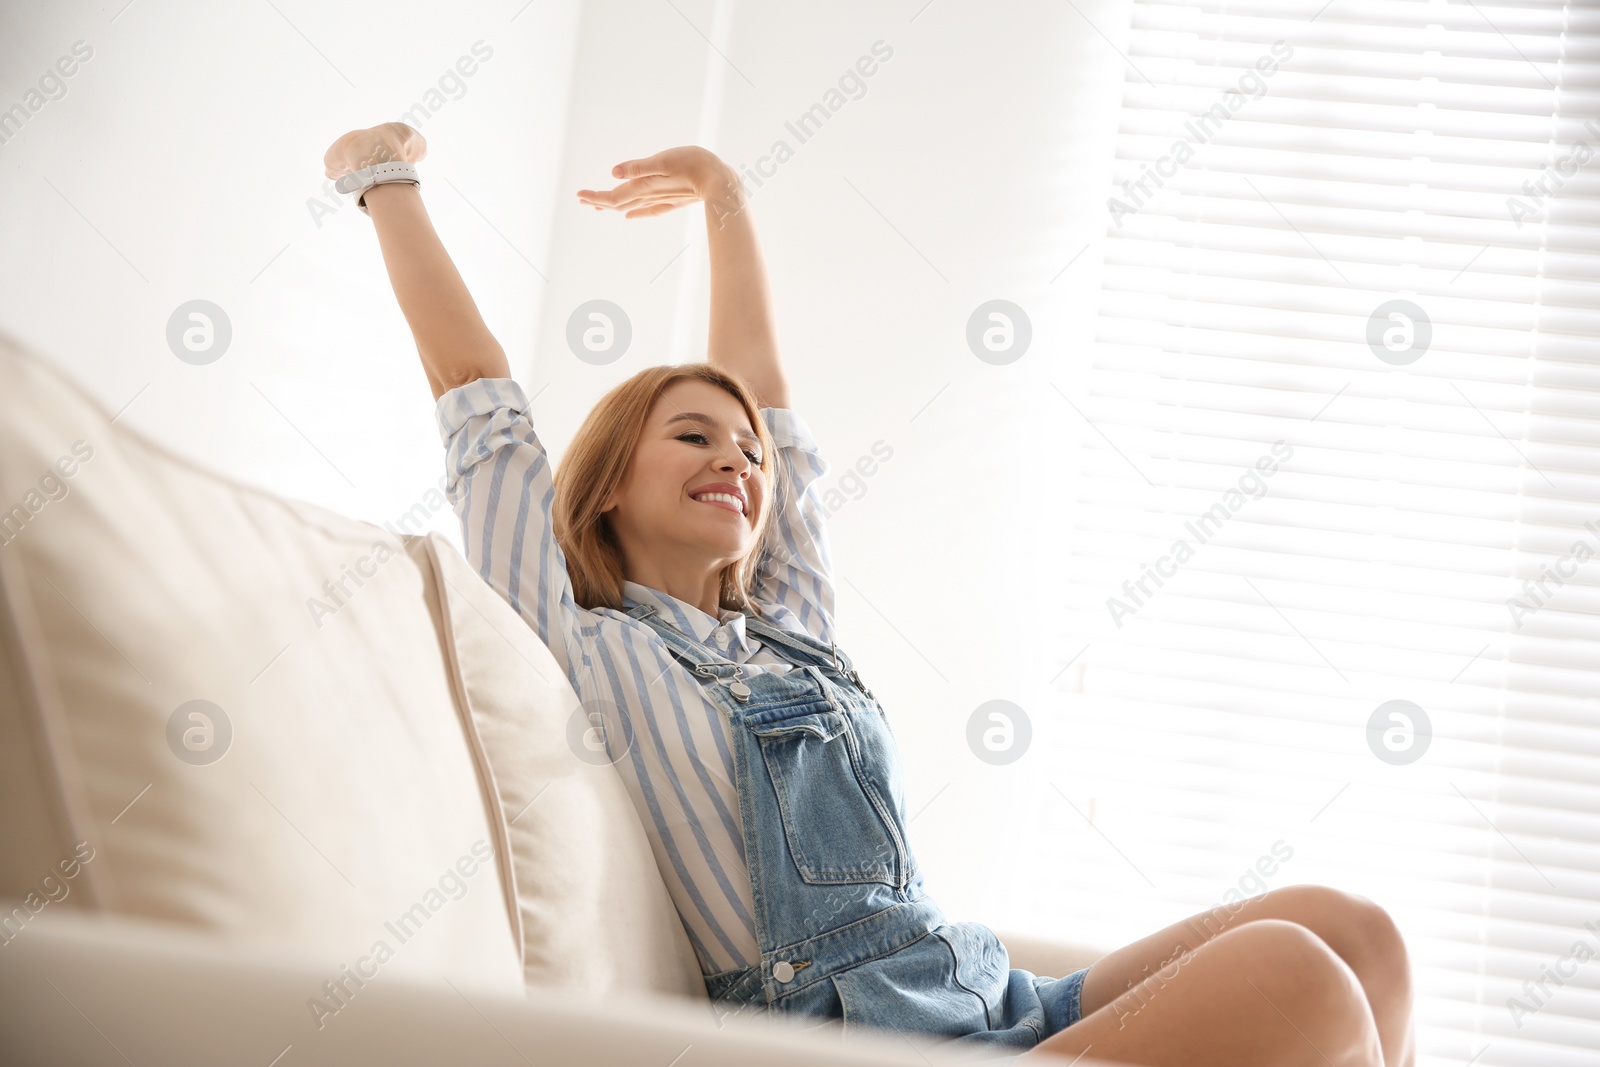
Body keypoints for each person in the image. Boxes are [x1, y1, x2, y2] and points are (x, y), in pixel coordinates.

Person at [323, 121, 1417, 1066]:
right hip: (849, 1031)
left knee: (1353, 929)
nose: (740, 461)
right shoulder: (575, 633)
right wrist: (384, 180)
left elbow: (777, 409)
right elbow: (481, 408)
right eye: (694, 436)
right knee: (1299, 978)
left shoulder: (790, 628)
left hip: (982, 996)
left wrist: (725, 199)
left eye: (747, 453)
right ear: (605, 484)